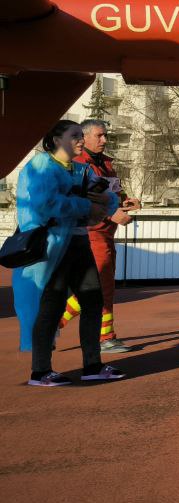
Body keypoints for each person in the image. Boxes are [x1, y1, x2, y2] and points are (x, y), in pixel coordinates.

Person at [13, 120, 126, 386]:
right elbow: (46, 205)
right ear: (55, 140)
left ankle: (92, 365)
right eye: (74, 135)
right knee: (50, 306)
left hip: (78, 243)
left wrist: (102, 204)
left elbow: (108, 198)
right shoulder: (41, 166)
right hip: (52, 246)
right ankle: (40, 371)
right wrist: (86, 205)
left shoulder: (82, 169)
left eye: (80, 135)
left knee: (93, 301)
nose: (80, 140)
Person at [58, 119, 142, 354]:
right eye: (100, 136)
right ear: (84, 138)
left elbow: (111, 193)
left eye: (105, 135)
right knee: (101, 285)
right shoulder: (76, 164)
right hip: (90, 234)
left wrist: (125, 202)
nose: (105, 140)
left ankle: (60, 325)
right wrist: (110, 214)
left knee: (104, 286)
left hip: (104, 234)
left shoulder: (105, 163)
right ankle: (102, 337)